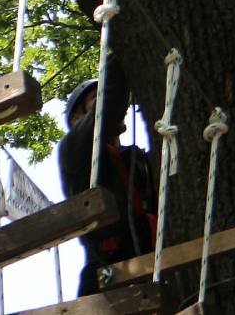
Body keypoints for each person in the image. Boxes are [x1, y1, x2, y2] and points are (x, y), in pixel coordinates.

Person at [57, 55, 156, 296]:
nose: (103, 100)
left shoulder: (136, 158)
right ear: (77, 119)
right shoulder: (74, 149)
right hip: (108, 270)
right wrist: (120, 48)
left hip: (152, 260)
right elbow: (109, 105)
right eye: (95, 98)